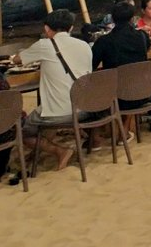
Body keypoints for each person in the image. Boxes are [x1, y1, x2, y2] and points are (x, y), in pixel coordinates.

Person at [11, 9, 91, 170]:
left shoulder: (45, 45)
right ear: (70, 28)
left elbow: (19, 60)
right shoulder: (84, 45)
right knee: (46, 110)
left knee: (21, 131)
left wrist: (15, 56)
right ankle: (40, 150)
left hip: (60, 112)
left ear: (47, 29)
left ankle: (59, 150)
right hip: (85, 108)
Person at [92, 1, 150, 70]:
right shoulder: (143, 36)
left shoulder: (104, 41)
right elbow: (148, 48)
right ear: (132, 19)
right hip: (140, 79)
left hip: (114, 79)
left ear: (113, 19)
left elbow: (91, 64)